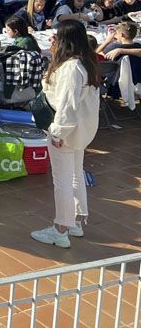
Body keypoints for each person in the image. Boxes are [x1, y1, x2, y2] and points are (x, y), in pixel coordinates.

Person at [30, 21, 101, 248]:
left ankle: (61, 229)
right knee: (75, 175)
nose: (53, 40)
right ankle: (75, 221)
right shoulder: (85, 62)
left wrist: (58, 133)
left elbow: (67, 104)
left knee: (62, 179)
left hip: (67, 130)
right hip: (80, 129)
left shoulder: (71, 67)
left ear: (65, 40)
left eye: (57, 37)